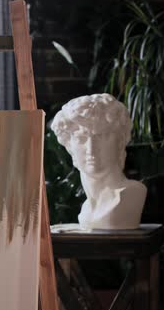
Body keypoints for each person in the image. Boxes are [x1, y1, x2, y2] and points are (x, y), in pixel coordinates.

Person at [50, 93, 146, 231]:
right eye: (81, 138)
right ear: (69, 146)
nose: (91, 148)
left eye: (102, 136)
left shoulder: (130, 195)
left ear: (119, 141)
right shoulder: (87, 209)